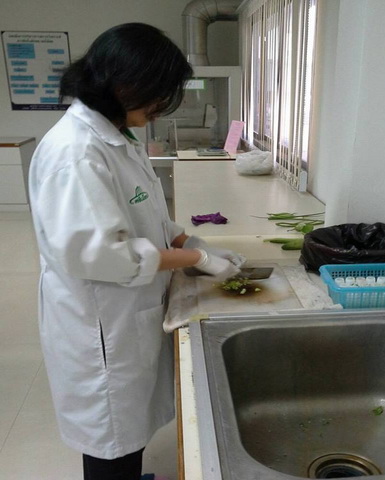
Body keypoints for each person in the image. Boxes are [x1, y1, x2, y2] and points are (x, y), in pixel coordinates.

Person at [28, 23, 244, 480]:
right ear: (124, 85)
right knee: (112, 434)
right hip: (100, 321)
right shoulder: (76, 153)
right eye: (157, 95)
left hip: (127, 312)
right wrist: (197, 261)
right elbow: (105, 254)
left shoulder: (118, 135)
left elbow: (146, 214)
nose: (160, 107)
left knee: (128, 423)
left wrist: (187, 241)